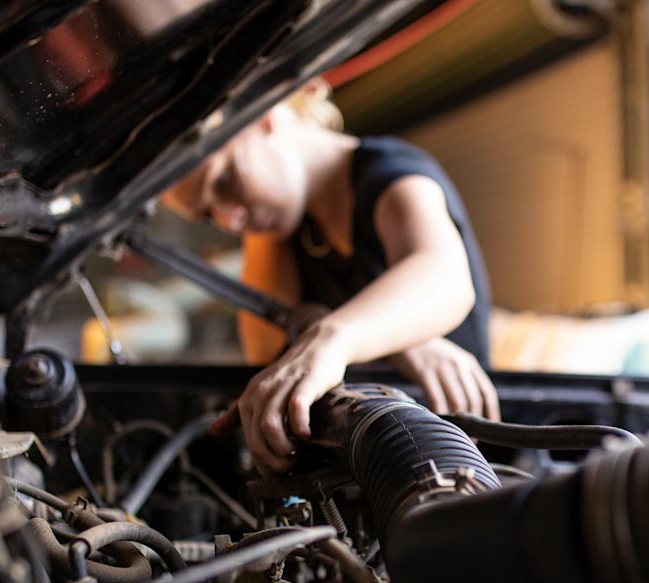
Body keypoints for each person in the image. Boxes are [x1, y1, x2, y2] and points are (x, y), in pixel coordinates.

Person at [162, 80, 498, 473]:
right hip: (361, 469)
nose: (229, 220)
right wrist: (396, 342)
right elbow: (265, 346)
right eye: (208, 214)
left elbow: (444, 278)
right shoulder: (292, 229)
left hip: (457, 458)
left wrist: (334, 338)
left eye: (223, 181)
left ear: (263, 116)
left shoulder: (390, 170)